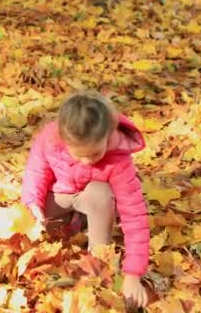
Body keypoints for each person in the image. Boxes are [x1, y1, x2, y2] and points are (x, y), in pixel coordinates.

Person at [21, 90, 150, 308]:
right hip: (60, 196)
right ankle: (74, 222)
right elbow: (35, 174)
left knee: (101, 193)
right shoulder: (49, 140)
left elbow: (134, 215)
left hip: (93, 199)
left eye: (95, 154)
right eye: (79, 155)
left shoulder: (119, 160)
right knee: (40, 226)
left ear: (108, 135)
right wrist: (32, 204)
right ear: (63, 139)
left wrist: (133, 274)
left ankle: (98, 258)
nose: (87, 162)